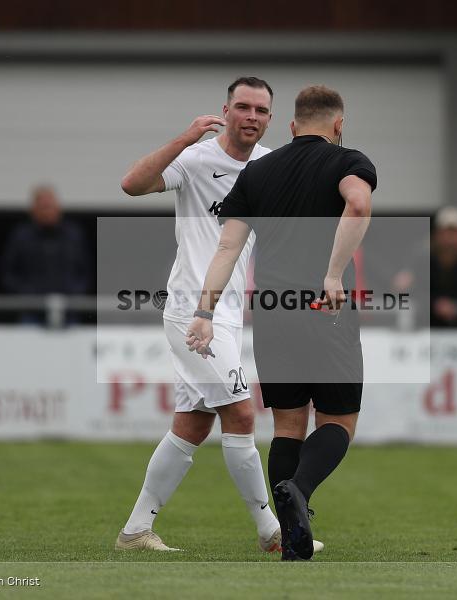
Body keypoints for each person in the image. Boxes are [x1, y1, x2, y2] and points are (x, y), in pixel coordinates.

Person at [186, 85, 376, 560]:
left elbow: (227, 249)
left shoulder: (258, 171)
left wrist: (205, 312)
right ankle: (299, 491)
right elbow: (357, 204)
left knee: (288, 423)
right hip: (324, 309)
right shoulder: (348, 161)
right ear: (338, 125)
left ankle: (292, 538)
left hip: (272, 312)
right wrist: (333, 274)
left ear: (291, 126)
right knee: (339, 421)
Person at [115, 76, 297, 555]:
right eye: (243, 107)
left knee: (193, 424)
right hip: (190, 312)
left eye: (261, 110)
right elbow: (132, 184)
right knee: (240, 412)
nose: (251, 117)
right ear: (226, 110)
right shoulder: (195, 160)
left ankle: (136, 530)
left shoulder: (269, 166)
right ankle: (272, 532)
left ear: (271, 118)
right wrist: (182, 138)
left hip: (230, 315)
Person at [0, 185, 89, 324]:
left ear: (58, 208)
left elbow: (85, 271)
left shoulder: (73, 236)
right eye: (43, 206)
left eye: (50, 206)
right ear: (33, 210)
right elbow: (9, 273)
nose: (47, 211)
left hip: (69, 314)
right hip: (31, 314)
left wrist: (71, 295)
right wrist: (28, 296)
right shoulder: (21, 236)